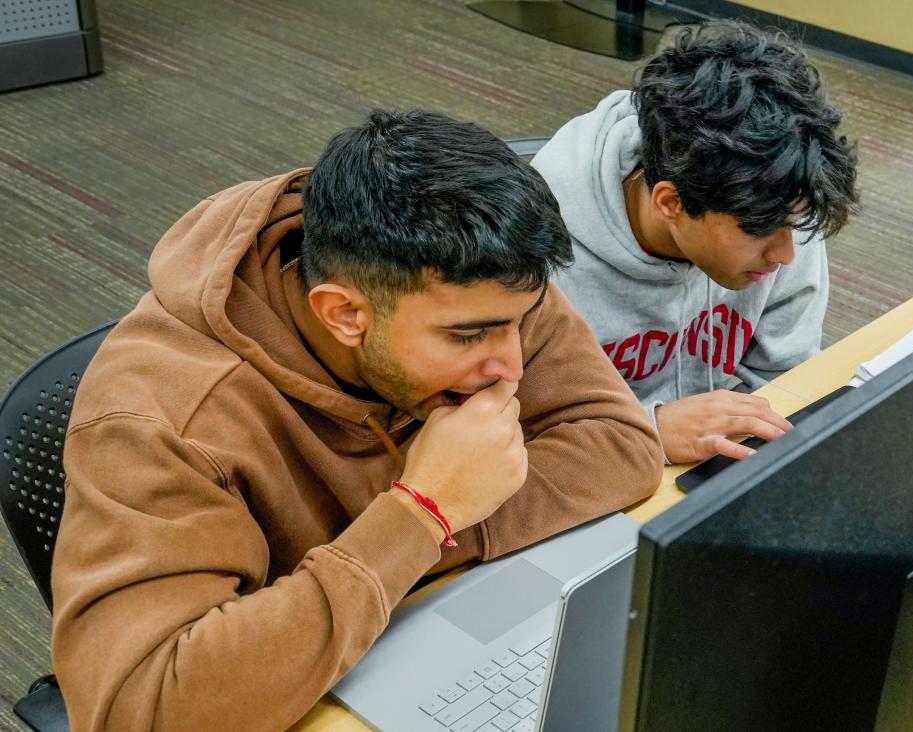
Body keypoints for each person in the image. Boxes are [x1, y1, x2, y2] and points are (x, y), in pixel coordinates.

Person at [50, 110, 662, 731]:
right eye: (468, 336)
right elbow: (143, 709)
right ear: (344, 314)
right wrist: (422, 513)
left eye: (522, 320)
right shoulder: (161, 420)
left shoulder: (478, 277)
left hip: (403, 643)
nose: (510, 365)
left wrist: (429, 533)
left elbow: (621, 446)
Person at [532, 21, 859, 465]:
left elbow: (790, 380)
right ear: (672, 202)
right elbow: (511, 436)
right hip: (589, 476)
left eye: (795, 225)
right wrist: (650, 431)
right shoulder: (533, 262)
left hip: (711, 465)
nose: (785, 255)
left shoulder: (780, 195)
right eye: (761, 229)